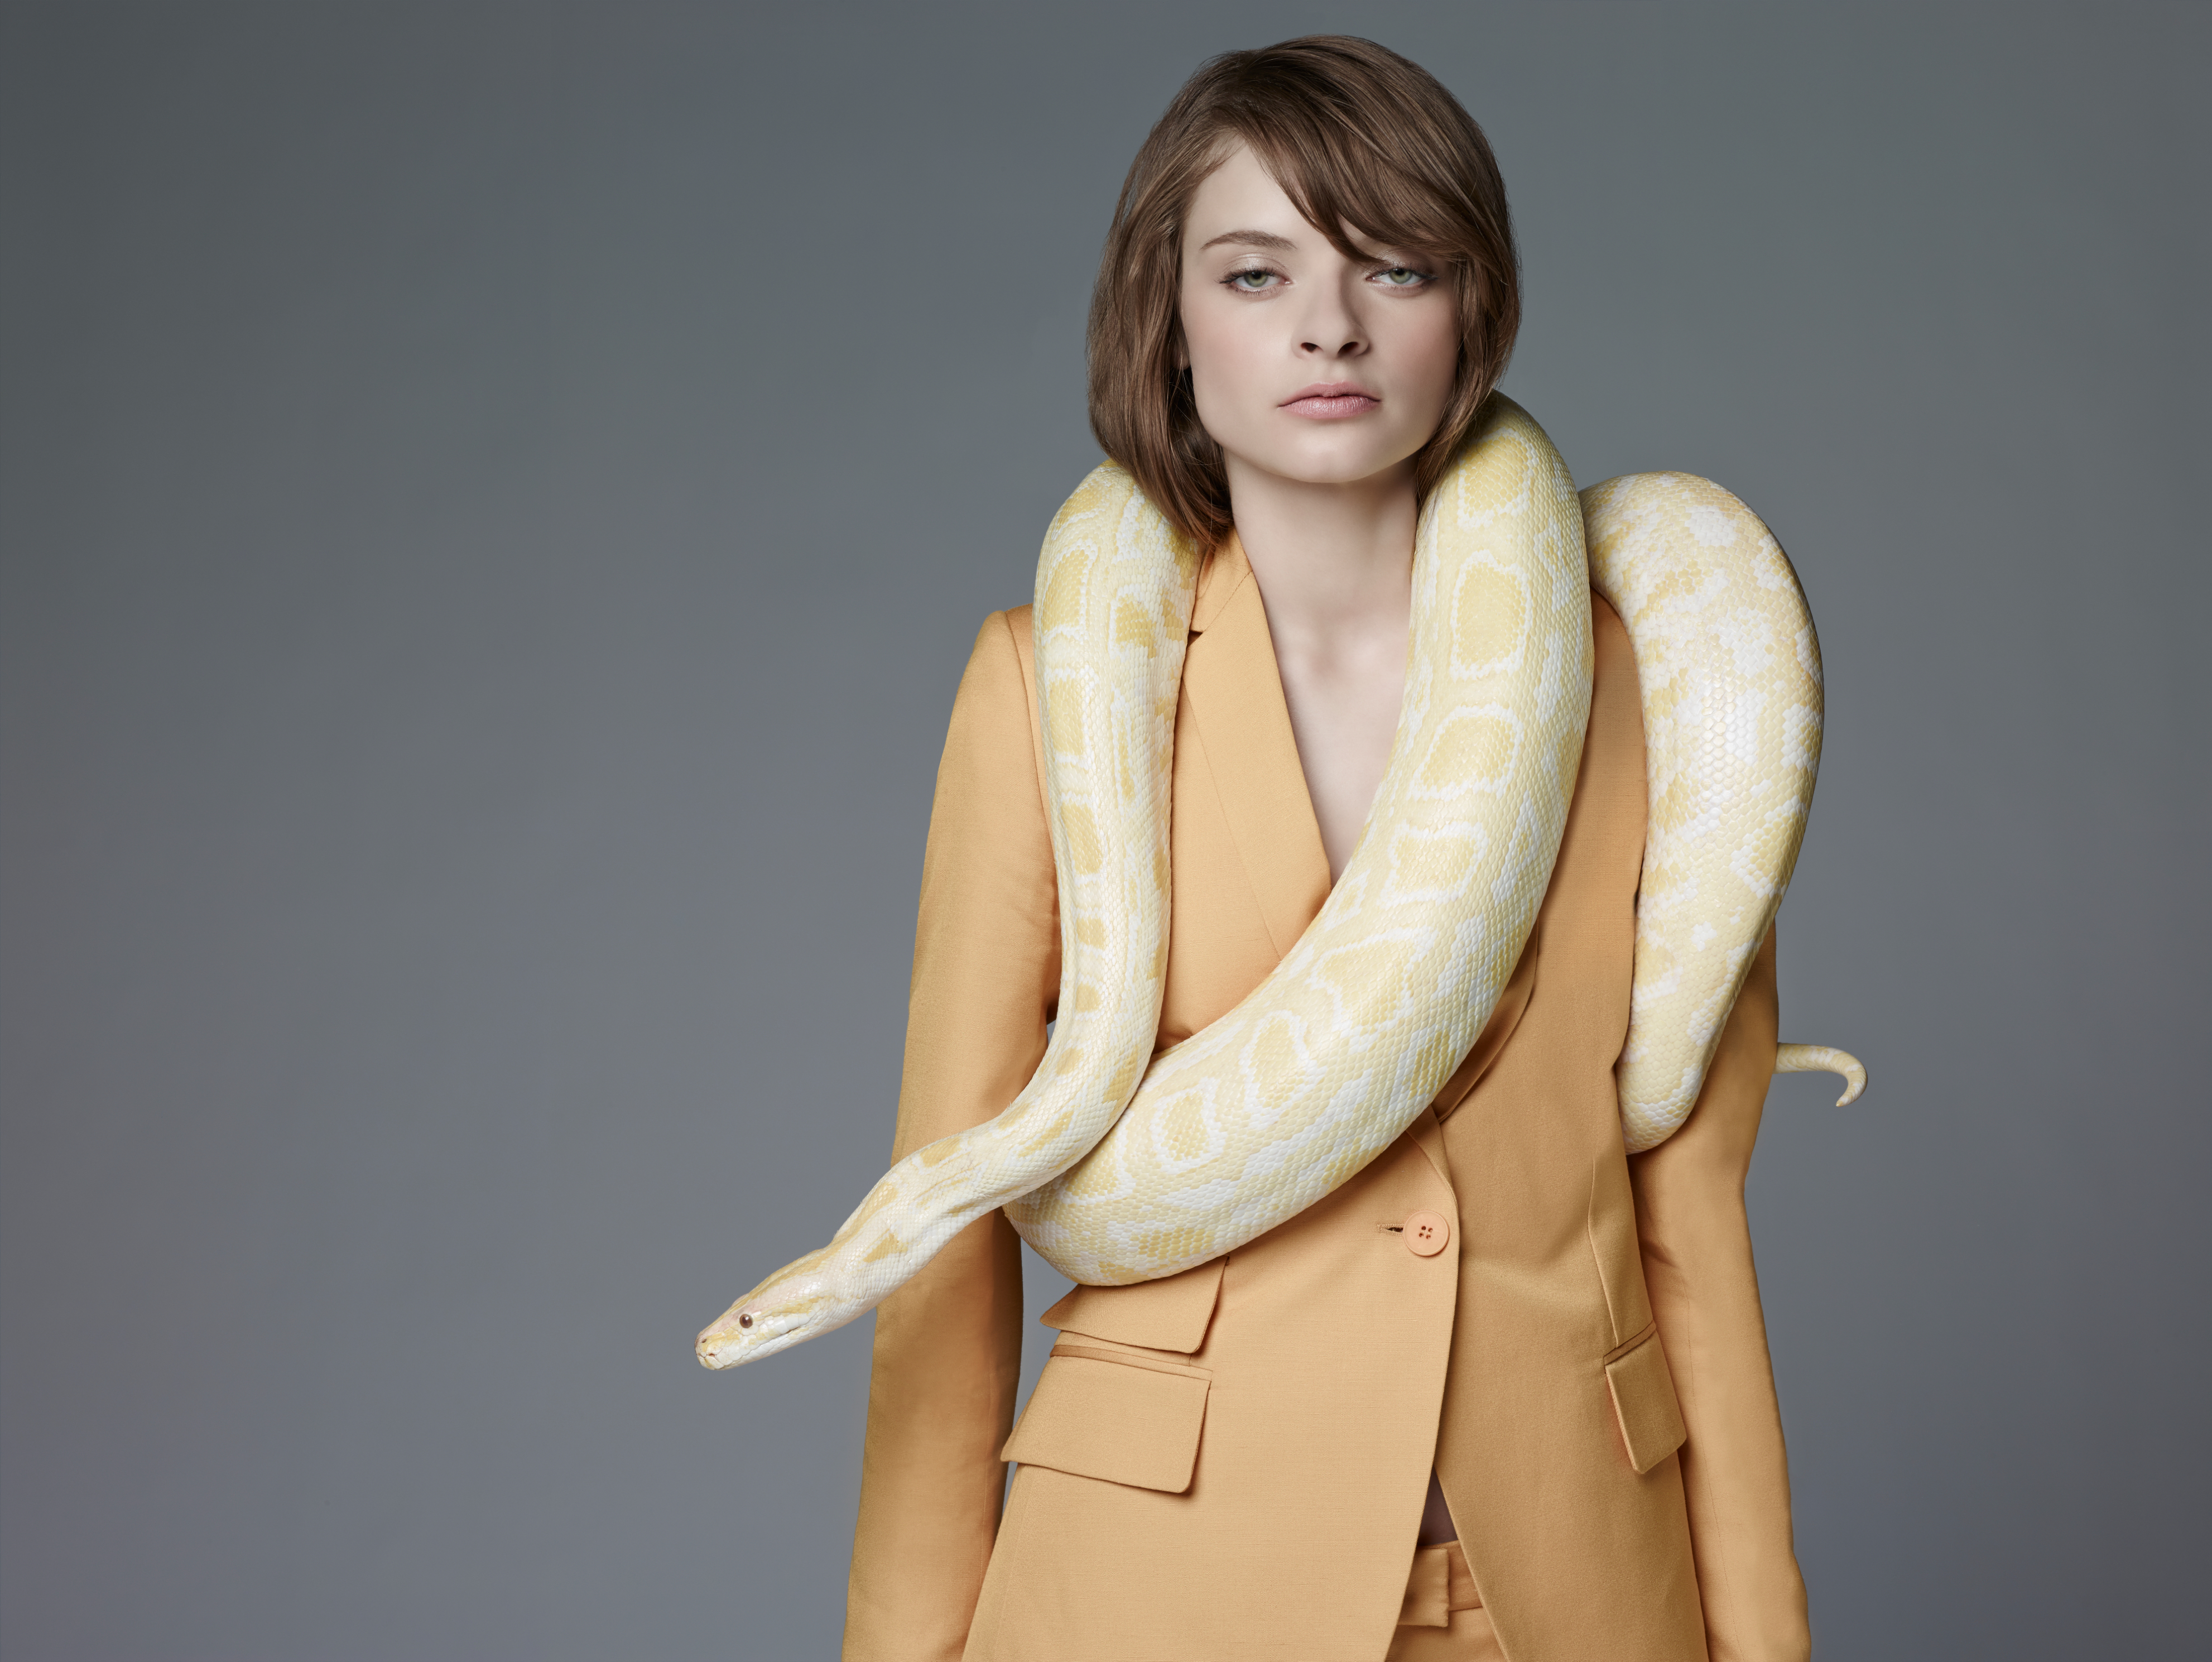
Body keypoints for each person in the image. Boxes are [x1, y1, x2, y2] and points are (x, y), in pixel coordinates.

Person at [841, 36, 1808, 1662]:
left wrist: (1761, 1636)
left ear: (1471, 312)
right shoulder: (1038, 685)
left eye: (1394, 263)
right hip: (1156, 1590)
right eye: (1253, 268)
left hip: (1574, 1585)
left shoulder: (1649, 680)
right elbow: (944, 1231)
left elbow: (1690, 1213)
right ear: (1171, 324)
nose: (1326, 323)